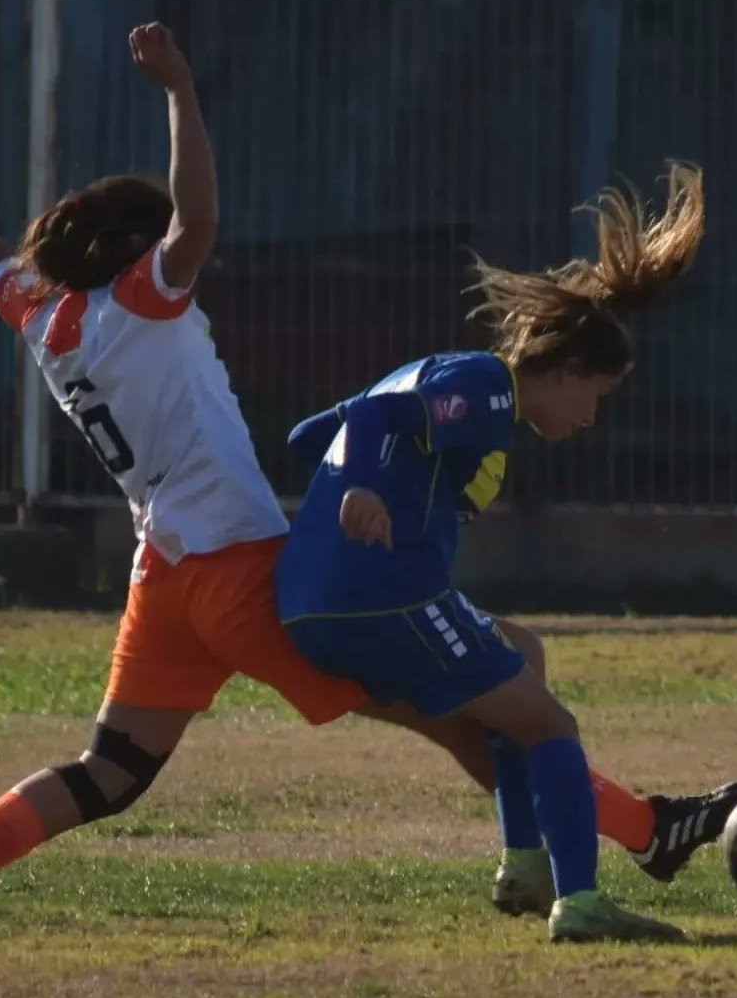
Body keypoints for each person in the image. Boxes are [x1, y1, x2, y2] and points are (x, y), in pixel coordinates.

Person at [0, 25, 737, 937]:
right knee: (462, 707)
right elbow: (198, 220)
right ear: (136, 250)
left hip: (162, 575)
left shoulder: (44, 321)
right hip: (242, 572)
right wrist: (180, 89)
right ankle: (645, 831)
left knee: (109, 770)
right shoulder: (145, 300)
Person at [275, 161, 711, 941]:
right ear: (568, 371)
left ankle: (525, 865)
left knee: (523, 655)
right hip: (386, 593)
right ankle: (579, 903)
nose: (588, 419)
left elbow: (311, 434)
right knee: (552, 725)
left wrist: (357, 487)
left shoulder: (443, 375)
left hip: (309, 600)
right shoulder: (487, 388)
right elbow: (375, 426)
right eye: (593, 399)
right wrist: (367, 488)